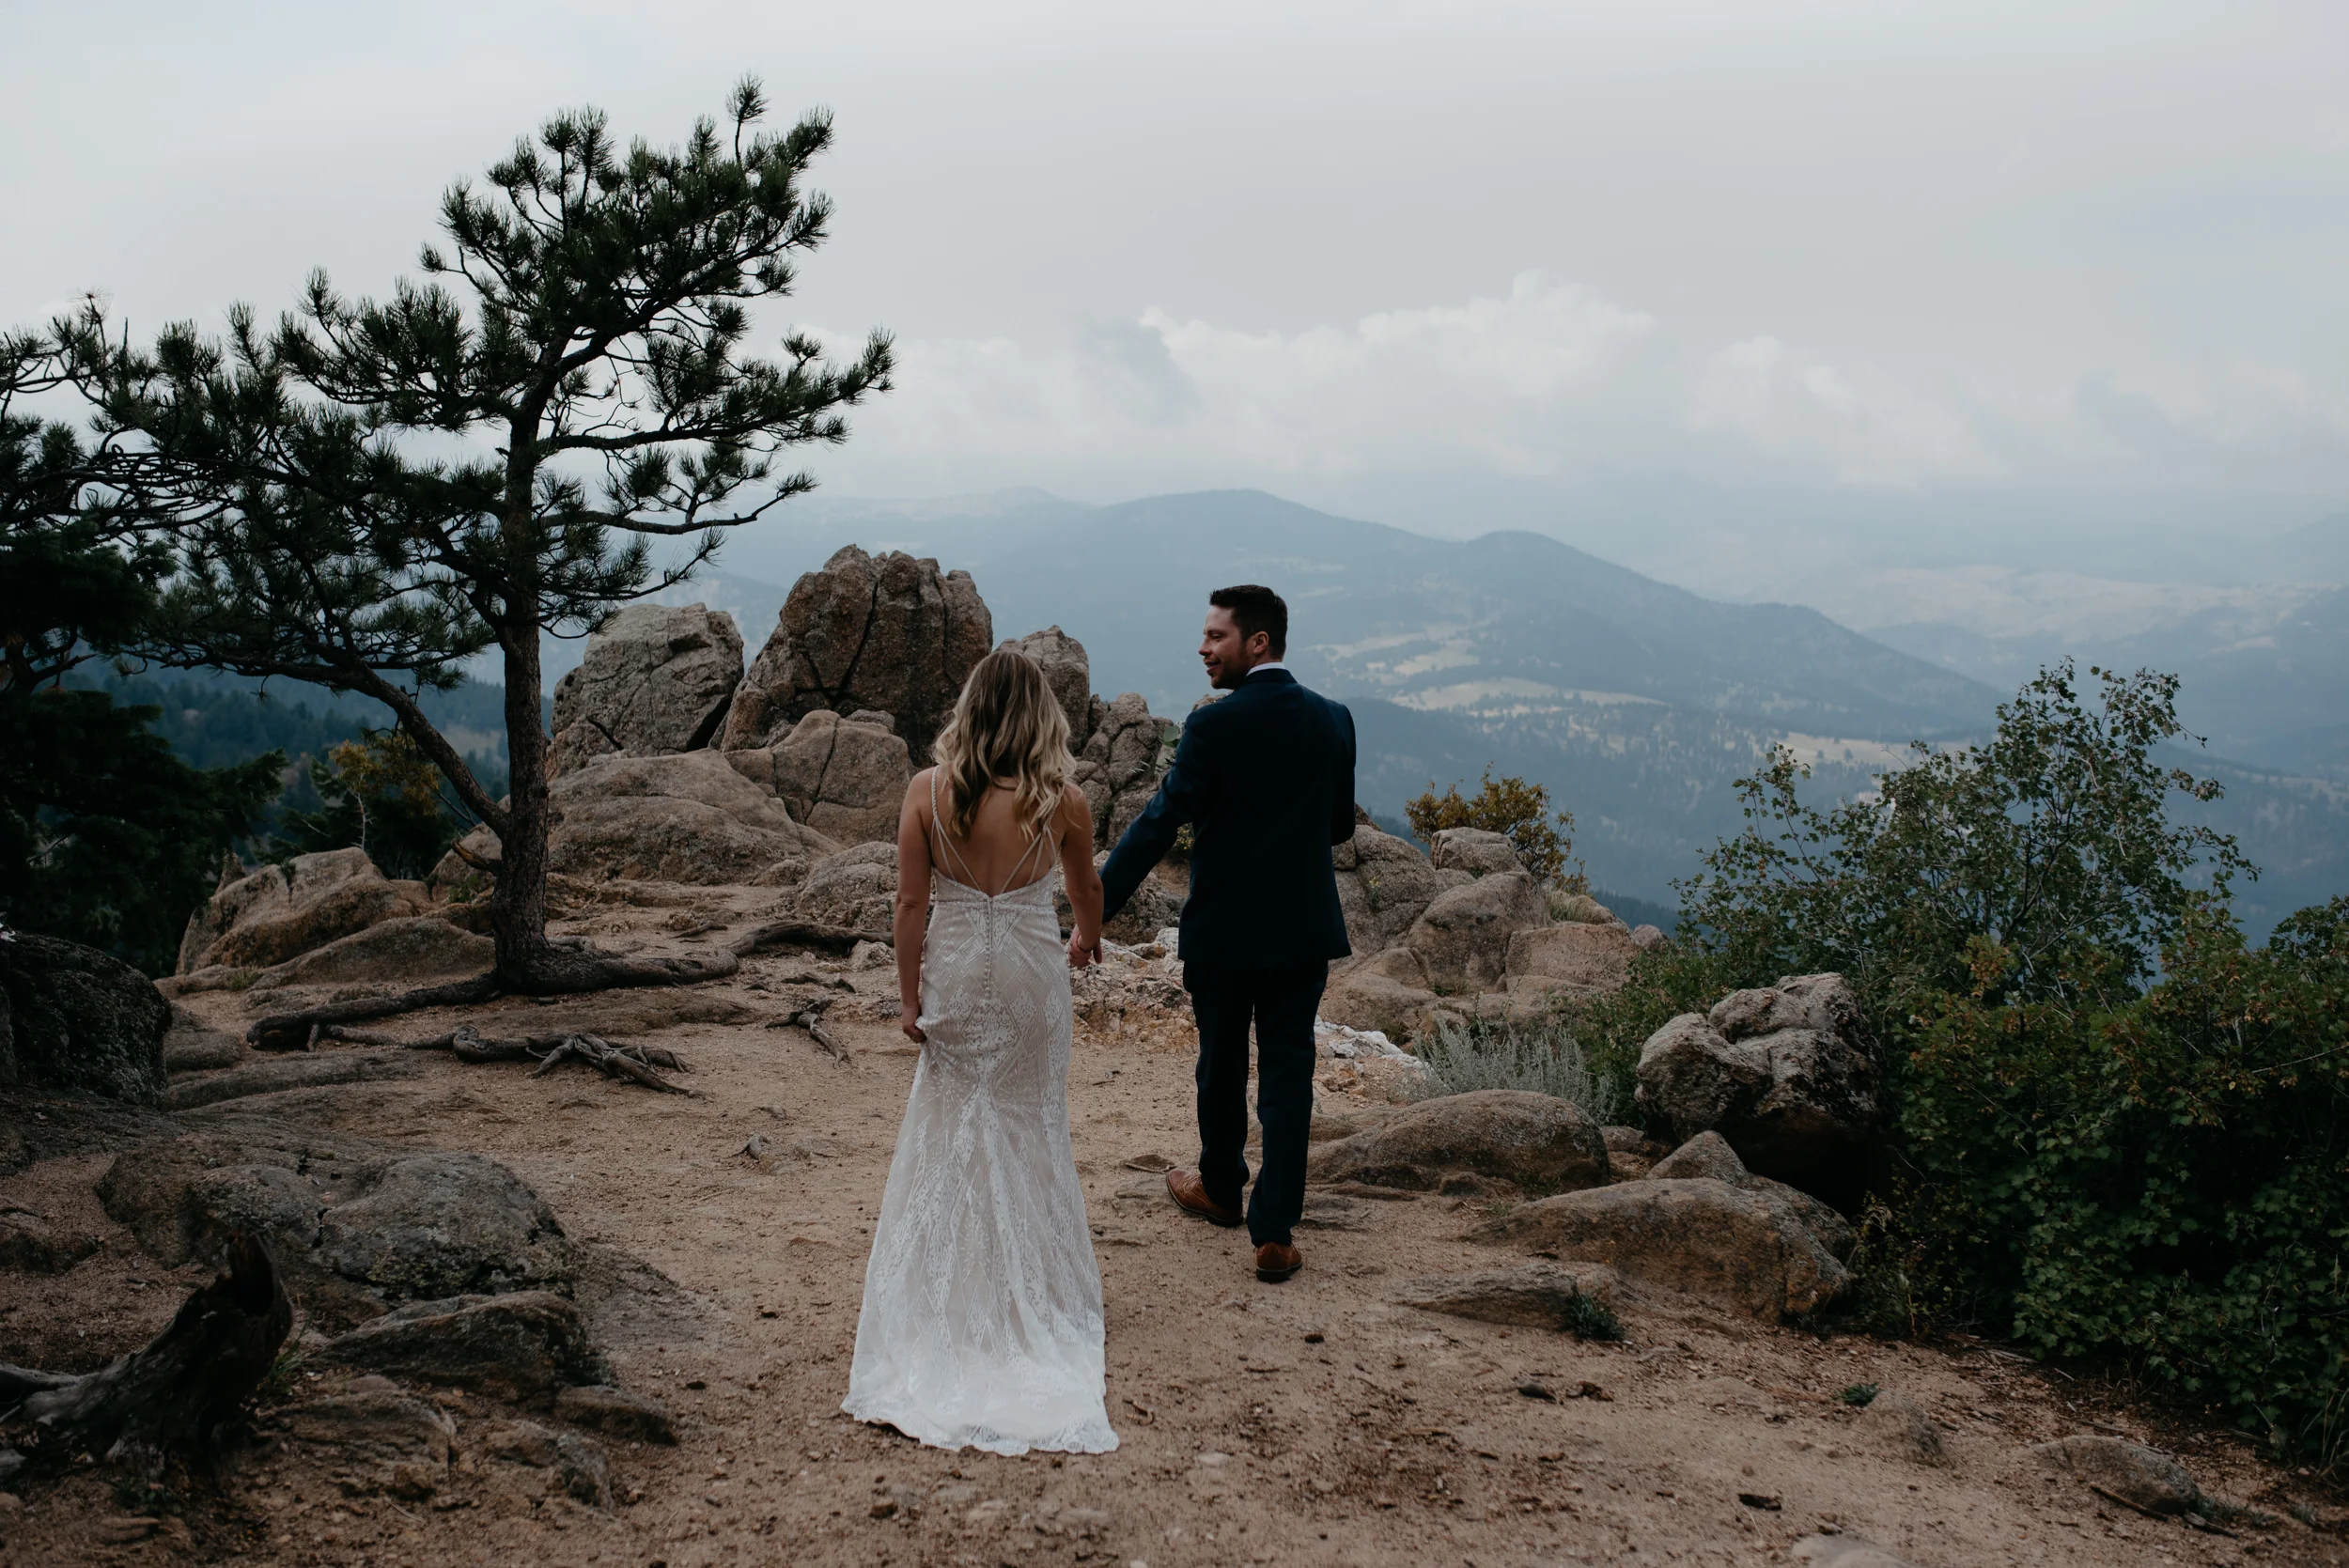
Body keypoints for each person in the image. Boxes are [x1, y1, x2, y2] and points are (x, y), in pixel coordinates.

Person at [842, 648, 1118, 1455]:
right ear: (1041, 719)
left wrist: (908, 996)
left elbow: (909, 903)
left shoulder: (928, 793)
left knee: (955, 1121)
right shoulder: (1061, 800)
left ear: (971, 710)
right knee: (1031, 1123)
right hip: (1033, 976)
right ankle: (1037, 1290)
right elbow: (1085, 889)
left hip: (958, 974)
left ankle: (951, 1296)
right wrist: (1089, 942)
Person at [1084, 584, 1357, 1283]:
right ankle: (1274, 1230)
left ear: (1256, 642)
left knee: (1222, 1062)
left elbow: (1156, 824)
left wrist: (1095, 909)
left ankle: (1220, 1187)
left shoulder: (1211, 727)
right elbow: (1339, 828)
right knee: (1290, 1075)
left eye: (1216, 637)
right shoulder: (1334, 721)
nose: (1203, 648)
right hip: (1301, 930)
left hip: (1224, 928)